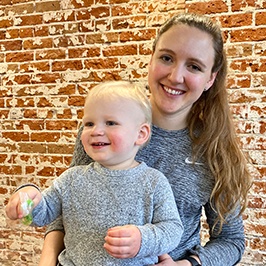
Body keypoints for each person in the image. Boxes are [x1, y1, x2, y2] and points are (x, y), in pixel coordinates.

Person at [7, 12, 252, 266]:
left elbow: (231, 240)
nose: (176, 76)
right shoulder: (100, 132)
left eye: (194, 66)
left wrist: (186, 265)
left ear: (210, 78)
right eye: (167, 58)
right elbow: (64, 207)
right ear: (151, 58)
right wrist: (44, 255)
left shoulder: (214, 150)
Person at [5, 81, 184, 266]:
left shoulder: (154, 182)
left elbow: (172, 230)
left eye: (111, 123)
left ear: (141, 134)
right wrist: (26, 202)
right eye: (89, 123)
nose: (96, 131)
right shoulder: (72, 179)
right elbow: (43, 215)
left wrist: (143, 239)